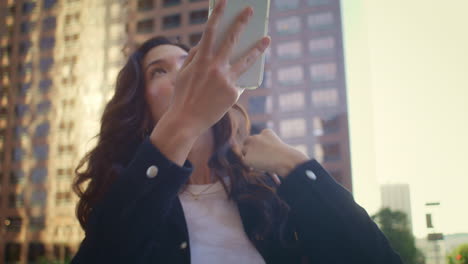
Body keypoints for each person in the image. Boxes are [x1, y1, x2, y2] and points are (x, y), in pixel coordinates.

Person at [71, 0, 403, 263]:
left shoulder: (265, 188)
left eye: (189, 61)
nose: (186, 71)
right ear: (137, 104)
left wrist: (297, 167)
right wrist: (182, 123)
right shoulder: (125, 194)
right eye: (159, 71)